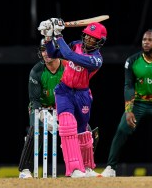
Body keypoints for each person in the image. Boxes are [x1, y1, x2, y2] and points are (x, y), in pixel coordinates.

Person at [38, 18, 107, 177]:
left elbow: (69, 55)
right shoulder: (76, 44)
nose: (89, 39)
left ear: (99, 42)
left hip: (82, 95)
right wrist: (49, 37)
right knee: (67, 126)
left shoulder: (96, 60)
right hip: (64, 91)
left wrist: (58, 34)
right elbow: (53, 53)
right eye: (87, 36)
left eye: (93, 38)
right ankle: (74, 169)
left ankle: (87, 167)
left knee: (82, 130)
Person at [101, 29, 152, 177]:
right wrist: (128, 110)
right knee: (121, 130)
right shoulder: (132, 61)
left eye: (150, 40)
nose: (146, 42)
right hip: (138, 103)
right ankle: (110, 168)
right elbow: (128, 86)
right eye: (144, 39)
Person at [18, 39, 65, 179]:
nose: (45, 53)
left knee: (83, 128)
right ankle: (25, 170)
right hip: (41, 107)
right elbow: (35, 100)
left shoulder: (67, 67)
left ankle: (83, 167)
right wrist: (44, 117)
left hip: (62, 106)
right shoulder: (36, 71)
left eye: (48, 49)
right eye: (43, 50)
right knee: (35, 131)